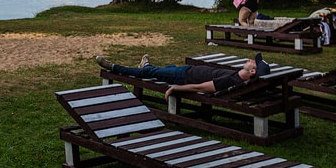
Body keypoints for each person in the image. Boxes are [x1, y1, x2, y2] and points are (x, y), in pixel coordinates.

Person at [95, 53, 270, 98]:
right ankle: (147, 65)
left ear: (252, 71)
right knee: (165, 69)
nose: (249, 59)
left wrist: (176, 89)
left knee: (149, 73)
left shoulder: (231, 80)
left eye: (252, 62)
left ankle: (115, 67)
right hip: (187, 70)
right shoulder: (238, 76)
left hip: (184, 77)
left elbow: (201, 87)